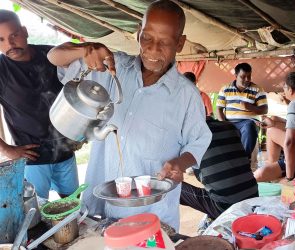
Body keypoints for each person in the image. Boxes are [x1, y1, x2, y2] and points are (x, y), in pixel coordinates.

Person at [47, 0, 212, 231]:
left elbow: (199, 141)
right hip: (100, 209)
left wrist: (180, 163)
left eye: (165, 42)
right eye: (147, 38)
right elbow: (55, 58)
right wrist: (84, 50)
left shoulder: (187, 96)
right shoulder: (109, 70)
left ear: (180, 43)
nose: (154, 49)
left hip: (151, 215)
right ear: (138, 34)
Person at [0, 10, 79, 198]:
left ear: (25, 31)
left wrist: (79, 133)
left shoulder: (52, 55)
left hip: (66, 152)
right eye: (1, 40)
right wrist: (6, 149)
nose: (9, 44)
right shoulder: (2, 71)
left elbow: (75, 95)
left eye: (14, 35)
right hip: (33, 160)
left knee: (72, 206)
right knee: (35, 213)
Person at [180, 117, 258, 221]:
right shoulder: (229, 126)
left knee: (171, 187)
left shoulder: (188, 135)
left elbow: (175, 168)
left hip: (226, 206)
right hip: (253, 197)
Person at [216, 63, 268, 157]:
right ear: (236, 76)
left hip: (249, 123)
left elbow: (264, 110)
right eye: (243, 76)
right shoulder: (225, 89)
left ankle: (244, 158)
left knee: (249, 126)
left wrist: (250, 107)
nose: (247, 79)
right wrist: (224, 124)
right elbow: (219, 109)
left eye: (249, 76)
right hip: (230, 124)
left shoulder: (257, 89)